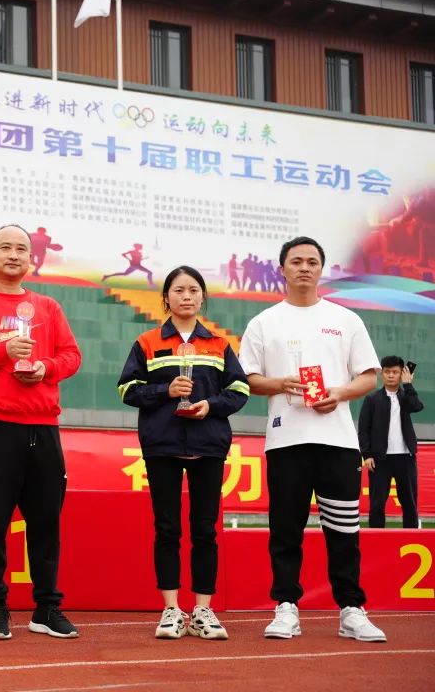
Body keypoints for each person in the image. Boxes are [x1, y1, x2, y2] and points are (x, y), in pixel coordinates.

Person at [238, 236, 387, 643]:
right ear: (282, 269)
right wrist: (279, 384)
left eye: (312, 262)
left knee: (343, 529)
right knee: (285, 529)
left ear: (321, 269)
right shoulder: (264, 322)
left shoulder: (345, 319)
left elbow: (368, 377)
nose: (304, 268)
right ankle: (286, 606)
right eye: (296, 261)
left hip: (338, 441)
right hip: (286, 441)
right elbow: (247, 379)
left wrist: (338, 393)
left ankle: (351, 609)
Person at [0, 225, 82, 641]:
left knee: (46, 522)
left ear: (31, 258)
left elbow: (71, 355)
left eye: (21, 249)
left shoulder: (47, 307)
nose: (13, 254)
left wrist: (45, 368)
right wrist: (2, 352)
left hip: (43, 426)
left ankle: (47, 607)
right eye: (5, 247)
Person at [117, 266, 249, 641]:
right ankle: (172, 609)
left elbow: (239, 389)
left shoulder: (220, 344)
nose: (186, 296)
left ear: (202, 297)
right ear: (166, 298)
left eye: (193, 290)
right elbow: (127, 389)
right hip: (163, 445)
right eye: (178, 290)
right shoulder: (147, 342)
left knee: (205, 530)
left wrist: (211, 405)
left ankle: (203, 610)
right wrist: (166, 390)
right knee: (167, 528)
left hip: (208, 445)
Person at [359, 356, 424, 528]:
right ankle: (376, 539)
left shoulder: (406, 396)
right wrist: (367, 455)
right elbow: (363, 430)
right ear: (382, 374)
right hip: (380, 459)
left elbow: (417, 406)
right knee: (377, 504)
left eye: (395, 372)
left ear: (401, 374)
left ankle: (410, 538)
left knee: (410, 503)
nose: (391, 375)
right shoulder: (372, 399)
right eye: (387, 372)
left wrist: (408, 385)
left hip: (406, 458)